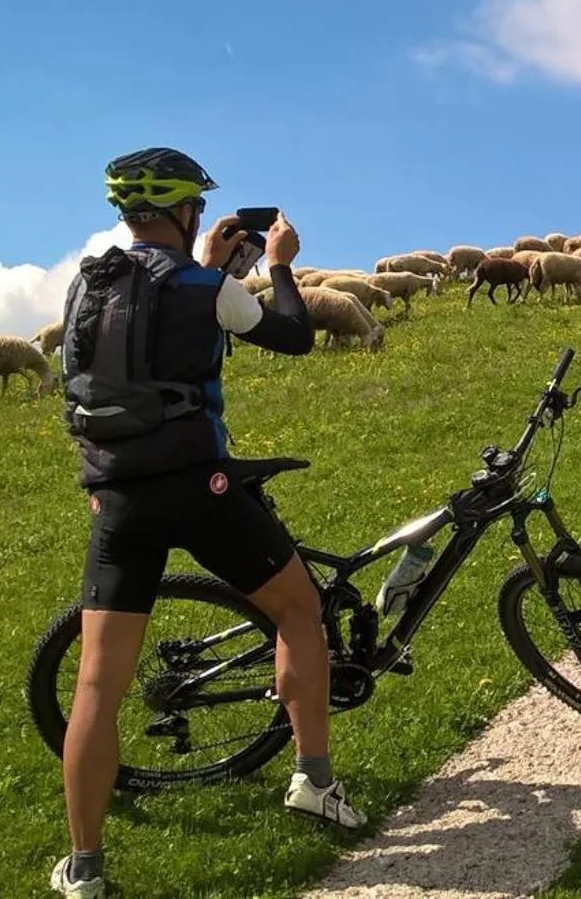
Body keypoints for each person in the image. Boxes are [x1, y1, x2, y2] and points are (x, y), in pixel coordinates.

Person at [49, 148, 363, 899]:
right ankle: (313, 780)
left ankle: (84, 866)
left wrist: (206, 265)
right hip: (201, 486)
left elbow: (106, 364)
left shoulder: (87, 285)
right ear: (184, 209)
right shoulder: (206, 287)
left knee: (97, 684)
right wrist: (279, 265)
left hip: (117, 496)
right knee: (298, 611)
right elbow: (294, 334)